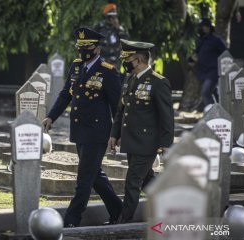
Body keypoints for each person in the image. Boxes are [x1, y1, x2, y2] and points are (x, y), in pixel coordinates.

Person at [42, 27, 122, 227]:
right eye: (80, 47)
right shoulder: (77, 66)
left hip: (98, 133)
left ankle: (72, 220)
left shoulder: (108, 71)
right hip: (79, 131)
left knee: (84, 178)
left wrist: (116, 134)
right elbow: (65, 94)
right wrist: (51, 116)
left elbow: (117, 106)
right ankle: (119, 212)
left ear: (96, 48)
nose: (82, 51)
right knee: (95, 176)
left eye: (86, 47)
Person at [109, 39, 174, 223]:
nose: (125, 63)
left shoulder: (158, 82)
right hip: (131, 141)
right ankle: (175, 205)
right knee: (146, 181)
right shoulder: (130, 79)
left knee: (132, 182)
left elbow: (167, 116)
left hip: (147, 143)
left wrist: (166, 144)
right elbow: (121, 110)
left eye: (127, 59)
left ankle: (124, 221)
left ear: (138, 60)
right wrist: (115, 134)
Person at [191, 18, 226, 111]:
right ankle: (222, 111)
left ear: (208, 28)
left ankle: (212, 114)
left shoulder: (216, 40)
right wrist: (192, 60)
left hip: (213, 72)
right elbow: (195, 54)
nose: (202, 29)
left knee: (205, 93)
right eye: (201, 27)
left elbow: (225, 54)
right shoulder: (199, 40)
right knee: (214, 93)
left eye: (203, 26)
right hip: (202, 72)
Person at [94, 3, 129, 68]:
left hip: (115, 61)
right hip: (101, 60)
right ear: (106, 17)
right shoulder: (99, 27)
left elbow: (126, 41)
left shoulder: (119, 28)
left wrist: (118, 28)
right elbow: (93, 40)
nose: (113, 19)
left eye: (114, 17)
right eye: (110, 17)